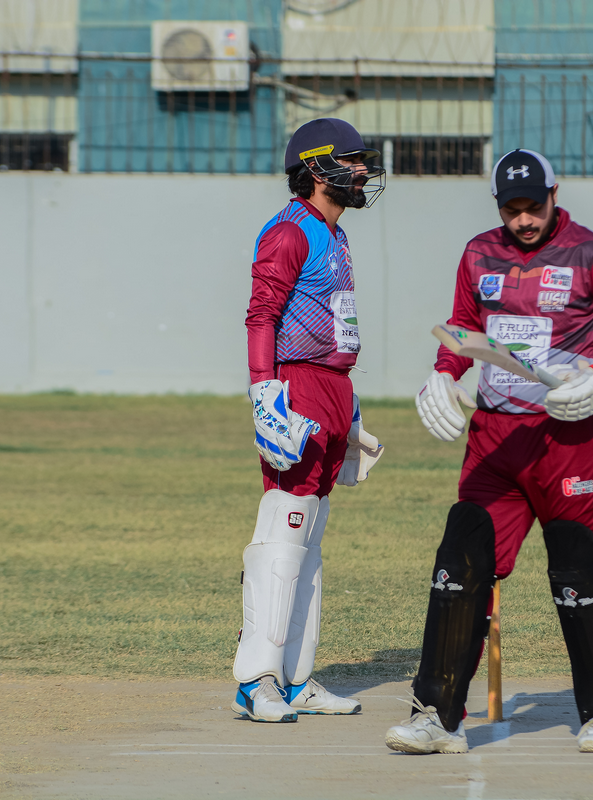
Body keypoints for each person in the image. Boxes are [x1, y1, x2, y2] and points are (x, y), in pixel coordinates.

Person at [384, 149, 593, 754]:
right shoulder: (478, 253)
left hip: (567, 440)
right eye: (512, 210)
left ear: (555, 194)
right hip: (495, 439)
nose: (525, 220)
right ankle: (436, 717)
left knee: (579, 567)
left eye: (534, 206)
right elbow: (462, 328)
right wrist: (442, 373)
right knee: (460, 561)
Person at [232, 118, 387, 723]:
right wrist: (264, 392)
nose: (362, 170)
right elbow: (261, 315)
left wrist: (347, 403)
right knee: (285, 520)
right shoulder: (290, 230)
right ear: (316, 167)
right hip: (294, 384)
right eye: (351, 160)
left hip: (331, 386)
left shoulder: (334, 234)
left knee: (310, 532)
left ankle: (296, 679)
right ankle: (256, 681)